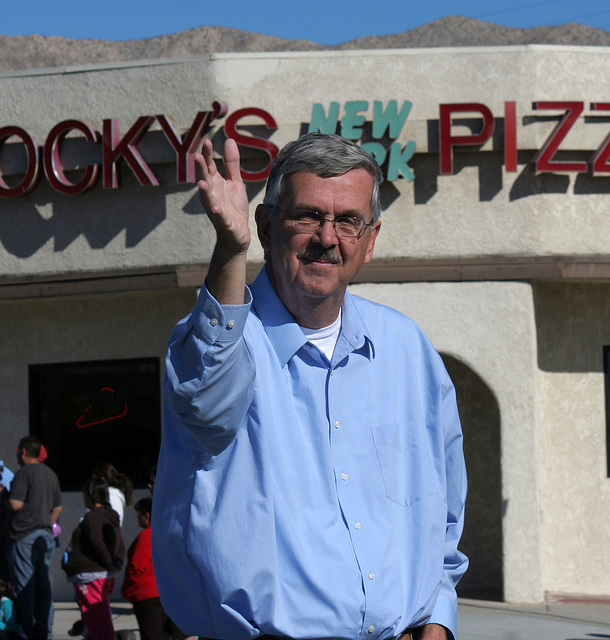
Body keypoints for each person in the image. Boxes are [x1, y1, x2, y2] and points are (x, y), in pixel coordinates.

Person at [152, 133, 468, 640]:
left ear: (371, 238)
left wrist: (438, 618)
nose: (328, 237)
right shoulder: (218, 341)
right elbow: (207, 408)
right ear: (265, 227)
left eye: (348, 221)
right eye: (307, 216)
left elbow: (445, 511)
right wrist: (229, 252)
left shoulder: (407, 350)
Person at [6, 436, 61, 640]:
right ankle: (45, 631)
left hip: (24, 535)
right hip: (45, 536)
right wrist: (46, 523)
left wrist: (6, 496)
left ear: (23, 452)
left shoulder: (23, 474)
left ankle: (26, 631)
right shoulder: (51, 475)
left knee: (24, 588)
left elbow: (15, 504)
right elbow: (58, 508)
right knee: (43, 586)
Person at [61, 477, 125, 640]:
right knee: (96, 620)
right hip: (97, 575)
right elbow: (119, 543)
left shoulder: (93, 518)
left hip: (91, 577)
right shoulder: (109, 515)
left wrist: (109, 563)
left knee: (99, 622)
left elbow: (97, 543)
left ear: (90, 495)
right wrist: (113, 563)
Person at [121, 498, 170, 640]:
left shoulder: (147, 535)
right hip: (163, 593)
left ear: (147, 515)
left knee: (150, 635)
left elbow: (136, 566)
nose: (137, 517)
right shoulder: (165, 532)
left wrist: (127, 590)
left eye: (139, 514)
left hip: (147, 595)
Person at [92, 463, 133, 527]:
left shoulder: (112, 497)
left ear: (102, 479)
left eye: (94, 479)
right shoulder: (111, 496)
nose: (93, 483)